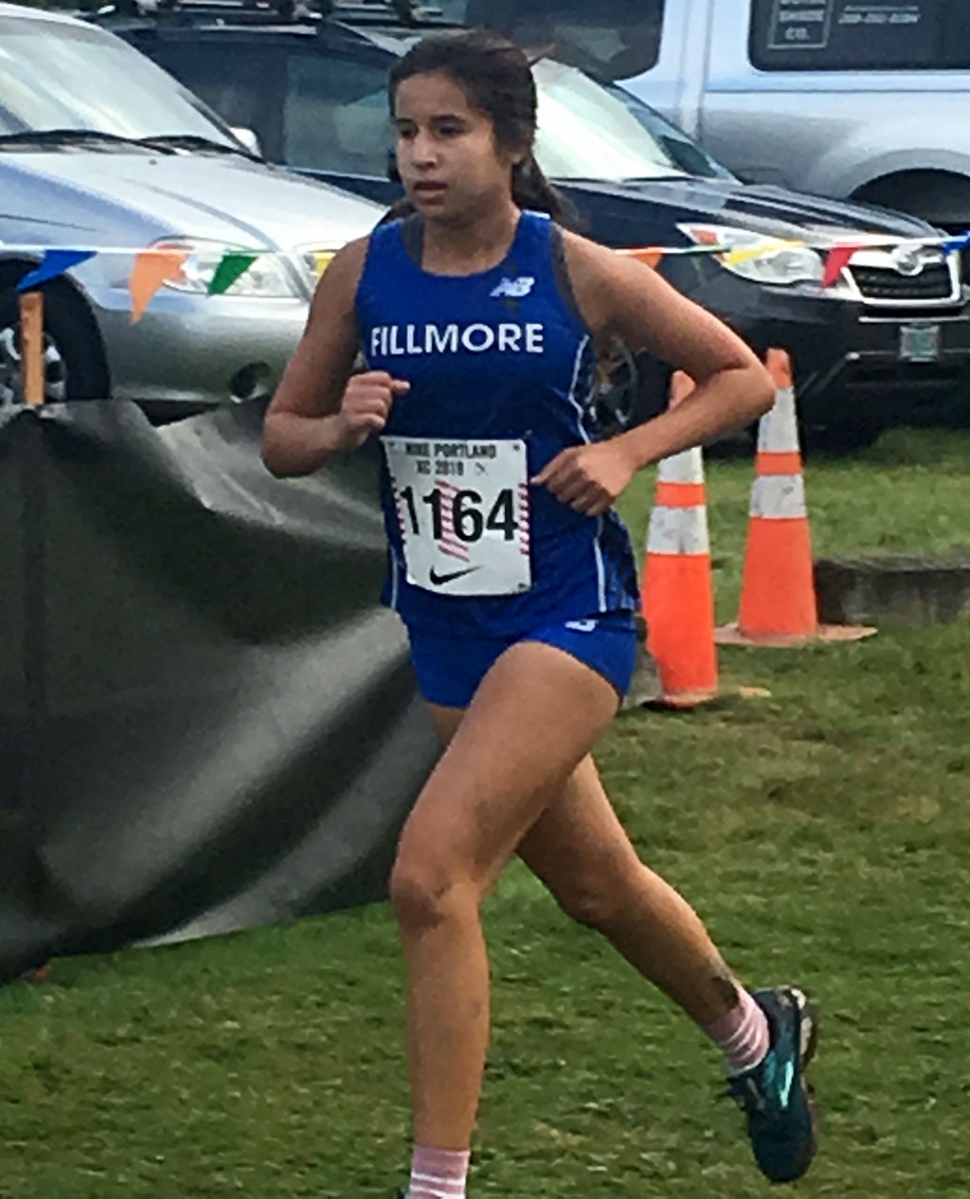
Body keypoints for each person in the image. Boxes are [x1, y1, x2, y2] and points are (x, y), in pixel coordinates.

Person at [262, 29, 819, 1196]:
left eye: (448, 131)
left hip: (570, 611)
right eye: (406, 131)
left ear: (511, 145)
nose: (420, 154)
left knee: (429, 877)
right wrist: (341, 421)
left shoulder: (576, 267)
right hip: (448, 614)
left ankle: (437, 1183)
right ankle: (753, 1036)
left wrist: (623, 449)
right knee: (595, 885)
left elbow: (739, 376)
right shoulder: (364, 273)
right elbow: (282, 440)